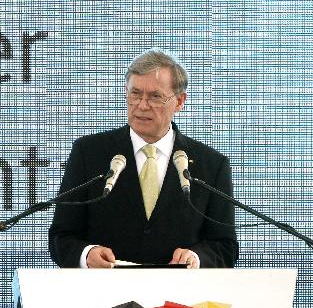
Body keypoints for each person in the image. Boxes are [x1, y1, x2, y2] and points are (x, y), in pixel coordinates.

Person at [48, 48, 238, 269]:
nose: (142, 105)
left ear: (179, 101)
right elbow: (61, 236)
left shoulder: (211, 165)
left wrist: (196, 258)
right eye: (135, 94)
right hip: (104, 295)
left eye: (155, 97)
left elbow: (225, 247)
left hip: (181, 298)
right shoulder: (89, 153)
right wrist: (86, 254)